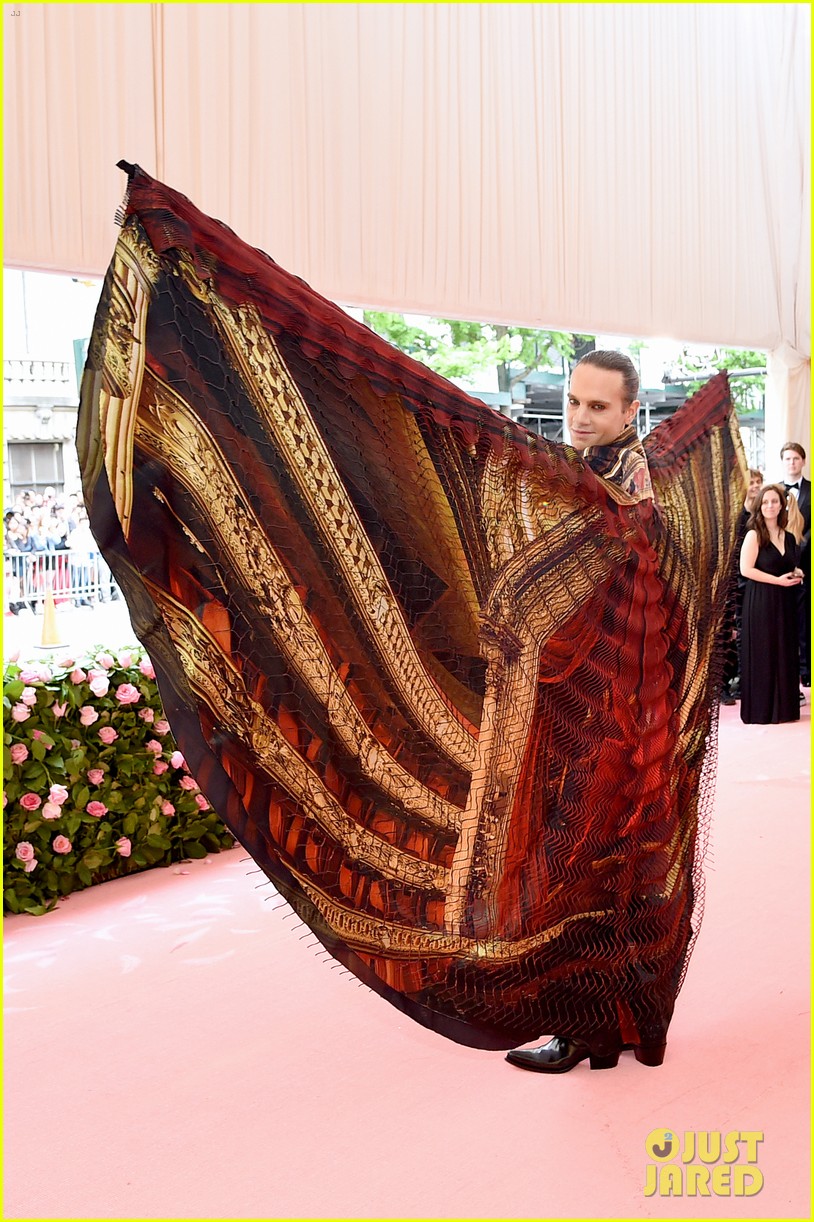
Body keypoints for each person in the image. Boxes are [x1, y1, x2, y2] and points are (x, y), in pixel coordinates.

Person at [77, 165, 745, 1070]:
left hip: (613, 725)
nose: (579, 417)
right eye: (575, 401)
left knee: (603, 875)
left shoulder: (633, 487)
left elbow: (625, 577)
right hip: (563, 722)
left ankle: (610, 1025)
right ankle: (603, 1029)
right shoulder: (564, 478)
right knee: (580, 880)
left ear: (629, 410)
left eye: (598, 406)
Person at [739, 484, 803, 724]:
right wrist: (776, 580)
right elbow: (745, 570)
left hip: (785, 601)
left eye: (774, 501)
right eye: (765, 502)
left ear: (781, 505)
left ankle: (785, 708)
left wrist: (796, 572)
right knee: (764, 650)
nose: (770, 506)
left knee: (784, 649)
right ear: (759, 506)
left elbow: (787, 565)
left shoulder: (787, 535)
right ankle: (762, 710)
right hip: (761, 600)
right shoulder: (754, 534)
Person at [780, 442, 811, 687]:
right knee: (784, 619)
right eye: (788, 458)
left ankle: (806, 670)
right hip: (779, 567)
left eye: (796, 458)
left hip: (807, 563)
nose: (792, 462)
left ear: (803, 461)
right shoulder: (773, 492)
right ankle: (787, 670)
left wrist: (799, 547)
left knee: (805, 619)